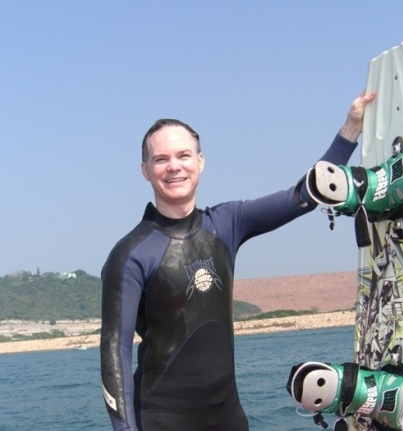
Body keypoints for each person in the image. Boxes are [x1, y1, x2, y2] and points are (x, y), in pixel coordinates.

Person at [100, 91, 376, 431]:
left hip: (229, 419)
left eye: (183, 155)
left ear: (200, 161)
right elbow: (114, 353)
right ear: (145, 170)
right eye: (161, 159)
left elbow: (304, 196)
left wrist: (350, 129)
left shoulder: (226, 223)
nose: (174, 166)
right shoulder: (131, 254)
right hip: (162, 421)